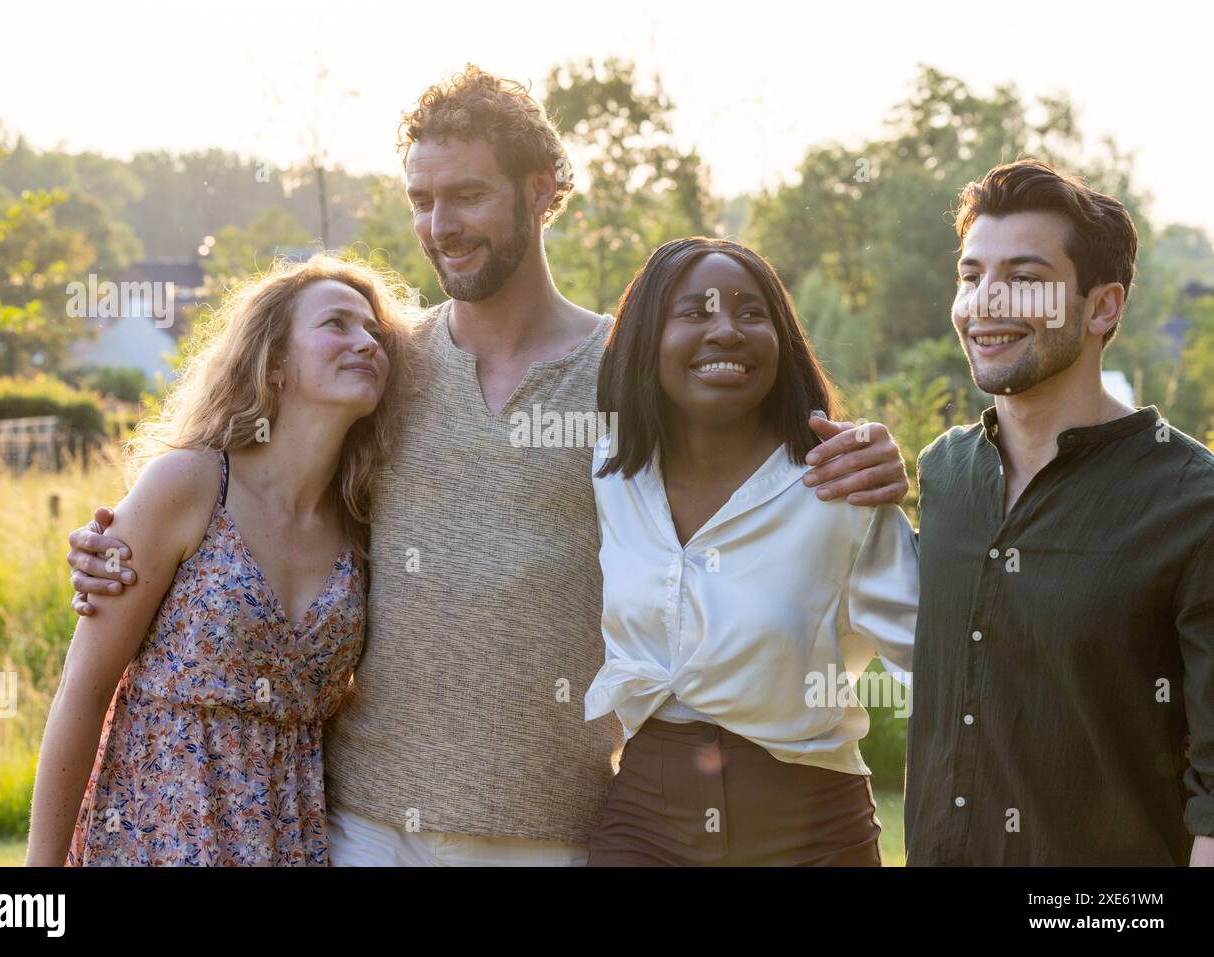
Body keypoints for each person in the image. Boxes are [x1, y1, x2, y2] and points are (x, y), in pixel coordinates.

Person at [64, 66, 911, 867]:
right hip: (364, 822)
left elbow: (747, 434)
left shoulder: (626, 375)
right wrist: (116, 543)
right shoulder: (386, 364)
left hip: (548, 826)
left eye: (467, 195)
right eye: (422, 201)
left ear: (542, 190)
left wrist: (863, 449)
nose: (440, 226)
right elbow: (263, 477)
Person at [27, 255, 411, 865]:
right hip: (153, 830)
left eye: (374, 332)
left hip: (290, 837)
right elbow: (85, 688)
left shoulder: (365, 521)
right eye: (337, 324)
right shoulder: (190, 484)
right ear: (276, 362)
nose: (365, 342)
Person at [905, 159, 1214, 866]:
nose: (985, 301)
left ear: (1102, 307)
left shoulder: (1195, 502)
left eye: (1023, 278)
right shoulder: (945, 473)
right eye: (971, 275)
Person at [583, 238, 918, 865]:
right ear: (646, 340)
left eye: (750, 313)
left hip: (812, 828)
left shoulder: (840, 487)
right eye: (694, 313)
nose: (726, 331)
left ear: (782, 341)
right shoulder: (611, 473)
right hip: (645, 824)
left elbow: (935, 663)